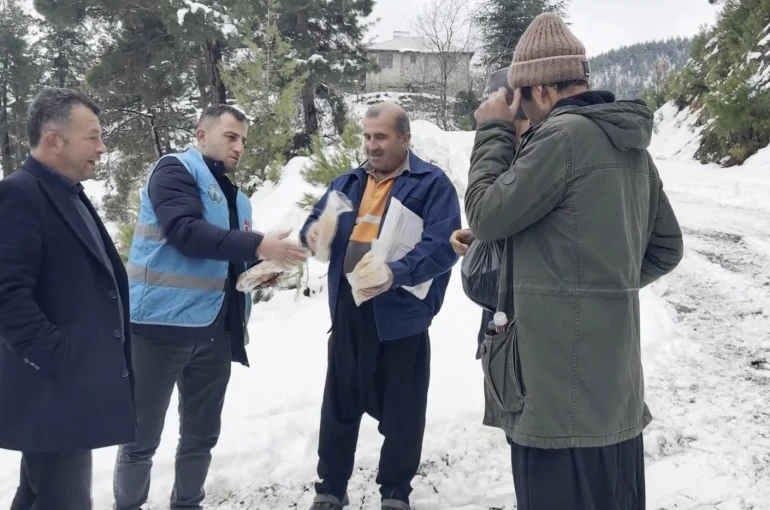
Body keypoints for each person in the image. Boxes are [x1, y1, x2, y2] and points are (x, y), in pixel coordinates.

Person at [464, 13, 684, 510]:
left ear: (541, 90)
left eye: (521, 98)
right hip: (614, 396)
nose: (520, 109)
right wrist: (597, 285)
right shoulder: (629, 145)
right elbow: (665, 247)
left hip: (557, 396)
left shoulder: (561, 137)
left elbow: (486, 214)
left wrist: (494, 129)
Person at [113, 104, 307, 510]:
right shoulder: (174, 171)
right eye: (230, 137)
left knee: (200, 437)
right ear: (201, 136)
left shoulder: (239, 200)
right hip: (159, 329)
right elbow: (185, 232)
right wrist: (259, 245)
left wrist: (258, 270)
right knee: (140, 439)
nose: (239, 147)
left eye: (244, 141)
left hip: (215, 332)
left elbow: (227, 258)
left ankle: (188, 504)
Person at [300, 102, 461, 510]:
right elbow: (313, 221)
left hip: (400, 312)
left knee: (404, 408)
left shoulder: (432, 184)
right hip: (349, 309)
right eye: (367, 137)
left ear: (405, 139)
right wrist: (313, 231)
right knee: (338, 404)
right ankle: (330, 487)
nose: (371, 145)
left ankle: (395, 492)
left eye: (381, 137)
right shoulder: (347, 182)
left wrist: (395, 273)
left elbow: (443, 246)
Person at [0, 87, 135, 509]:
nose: (102, 147)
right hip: (52, 390)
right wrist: (59, 358)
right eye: (92, 137)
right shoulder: (19, 194)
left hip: (66, 391)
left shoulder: (66, 192)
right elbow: (6, 294)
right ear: (54, 140)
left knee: (39, 494)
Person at [450, 99, 529, 358]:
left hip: (525, 325)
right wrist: (478, 237)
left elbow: (486, 214)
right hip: (499, 324)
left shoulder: (538, 160)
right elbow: (503, 218)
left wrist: (494, 130)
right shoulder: (512, 156)